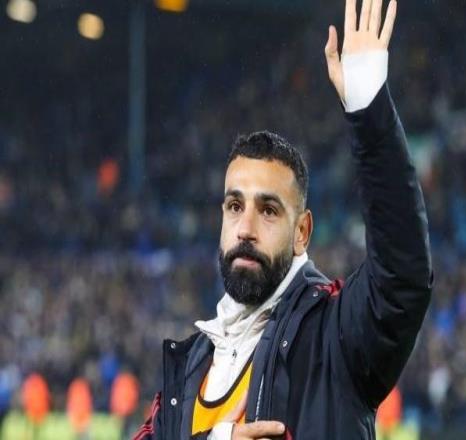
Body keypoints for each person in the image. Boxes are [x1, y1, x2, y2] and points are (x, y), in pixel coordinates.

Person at [133, 0, 433, 438]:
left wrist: (369, 112)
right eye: (235, 206)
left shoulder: (336, 337)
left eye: (269, 210)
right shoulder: (190, 365)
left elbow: (403, 276)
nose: (246, 229)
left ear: (302, 232)